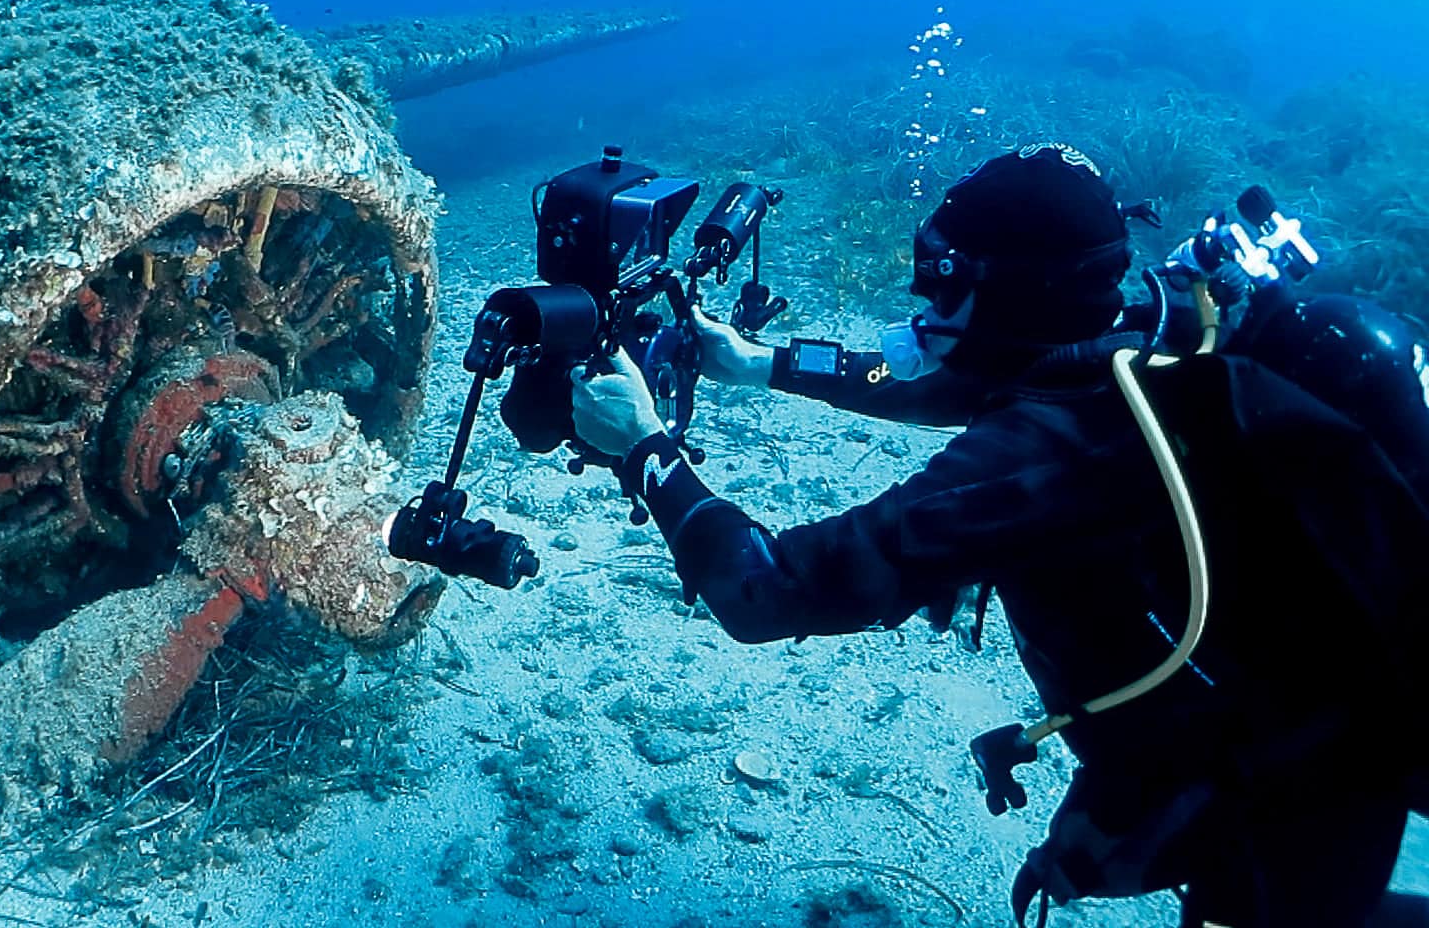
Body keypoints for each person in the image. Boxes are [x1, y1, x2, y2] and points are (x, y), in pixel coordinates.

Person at [568, 143, 1429, 927]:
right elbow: (970, 378)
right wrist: (764, 363)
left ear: (1017, 292)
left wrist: (645, 447)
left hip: (1315, 758)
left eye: (942, 276)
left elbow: (764, 594)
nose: (920, 296)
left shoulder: (1055, 459)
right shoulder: (1147, 324)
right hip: (1293, 691)